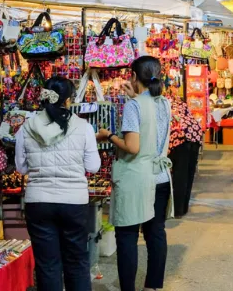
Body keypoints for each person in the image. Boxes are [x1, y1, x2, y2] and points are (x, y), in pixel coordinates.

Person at [15, 76, 100, 291]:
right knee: (77, 262)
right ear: (69, 100)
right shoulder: (84, 127)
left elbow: (21, 168)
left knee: (47, 265)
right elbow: (93, 166)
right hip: (74, 202)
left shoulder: (26, 127)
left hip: (38, 202)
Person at [97, 56, 172, 291]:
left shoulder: (134, 106)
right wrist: (135, 98)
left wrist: (107, 135)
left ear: (133, 76)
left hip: (137, 178)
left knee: (127, 235)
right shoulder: (163, 102)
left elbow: (132, 147)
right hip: (160, 176)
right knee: (155, 233)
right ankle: (152, 286)